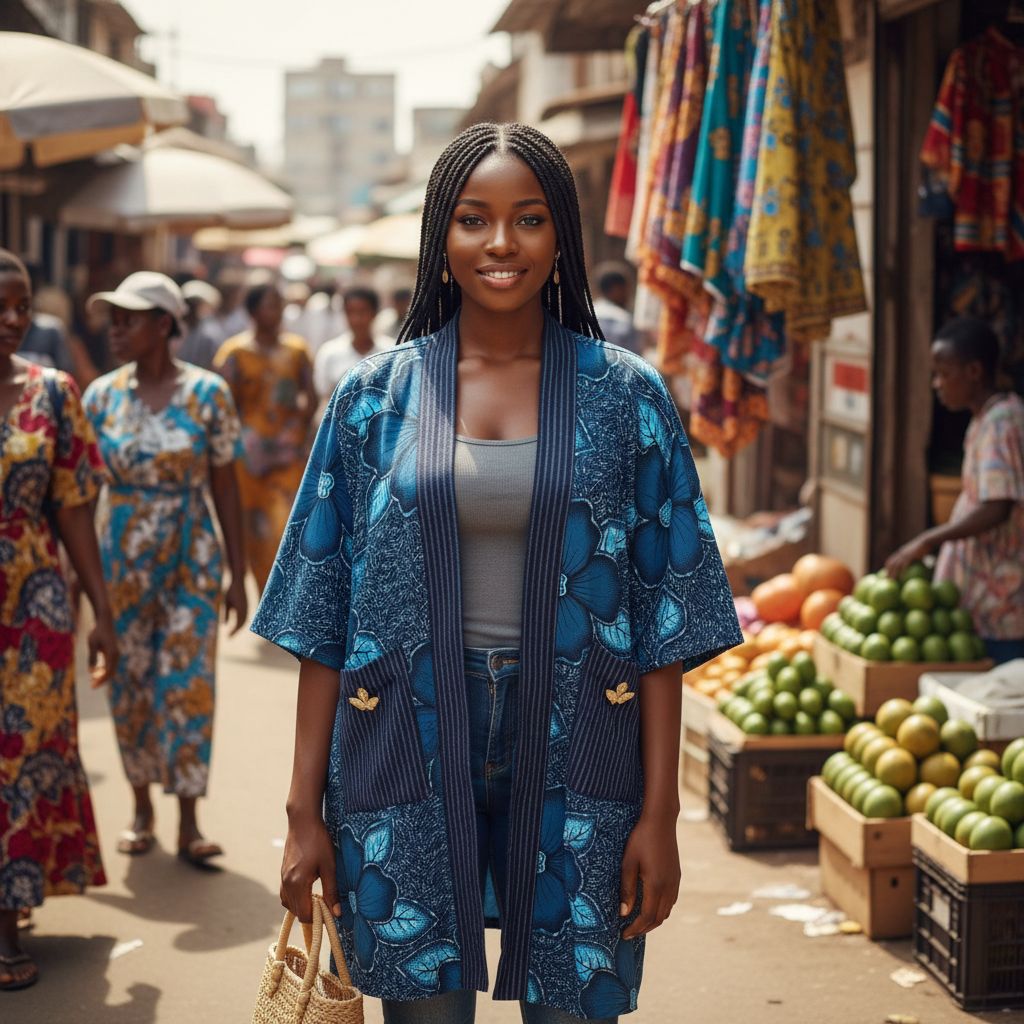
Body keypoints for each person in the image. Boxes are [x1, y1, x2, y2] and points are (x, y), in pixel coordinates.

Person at [256, 123, 741, 1023]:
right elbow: (322, 618)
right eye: (474, 220)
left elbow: (663, 619)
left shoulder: (624, 394)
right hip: (399, 734)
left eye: (528, 219)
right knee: (423, 1009)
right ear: (442, 239)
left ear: (562, 237)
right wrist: (300, 812)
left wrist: (661, 815)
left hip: (582, 739)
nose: (501, 244)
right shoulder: (373, 399)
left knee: (573, 1002)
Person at [83, 272, 248, 867]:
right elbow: (76, 496)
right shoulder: (99, 397)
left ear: (164, 325)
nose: (117, 329)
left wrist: (238, 571)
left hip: (191, 556)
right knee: (129, 683)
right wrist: (84, 588)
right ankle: (141, 807)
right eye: (114, 318)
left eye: (130, 318)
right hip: (120, 556)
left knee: (187, 683)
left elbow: (227, 485)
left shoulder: (208, 394)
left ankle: (187, 820)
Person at [0, 248, 117, 991]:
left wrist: (102, 613)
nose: (13, 320)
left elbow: (75, 509)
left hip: (33, 602)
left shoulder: (53, 392)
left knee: (22, 752)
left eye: (22, 306)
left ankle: (6, 919)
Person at [887, 317, 1024, 663]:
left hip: (1002, 606)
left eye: (944, 373)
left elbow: (998, 506)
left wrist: (929, 539)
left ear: (974, 371)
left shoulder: (1002, 423)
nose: (937, 384)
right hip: (981, 602)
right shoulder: (985, 419)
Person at [214, 283, 316, 592]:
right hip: (248, 459)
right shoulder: (234, 352)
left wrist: (297, 430)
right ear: (254, 311)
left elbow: (310, 395)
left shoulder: (297, 350)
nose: (278, 312)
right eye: (271, 304)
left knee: (284, 524)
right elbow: (222, 403)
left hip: (287, 455)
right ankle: (264, 593)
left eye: (279, 304)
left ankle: (283, 594)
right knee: (253, 529)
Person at [313, 287, 390, 410]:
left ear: (375, 313)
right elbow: (324, 397)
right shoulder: (330, 353)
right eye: (350, 312)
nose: (356, 319)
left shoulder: (391, 351)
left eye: (363, 312)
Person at [591, 265, 641, 355]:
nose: (628, 294)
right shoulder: (623, 319)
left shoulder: (588, 314)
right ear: (616, 289)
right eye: (626, 288)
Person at [175, 279, 223, 370]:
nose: (188, 308)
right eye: (187, 303)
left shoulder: (210, 333)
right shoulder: (175, 329)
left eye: (193, 305)